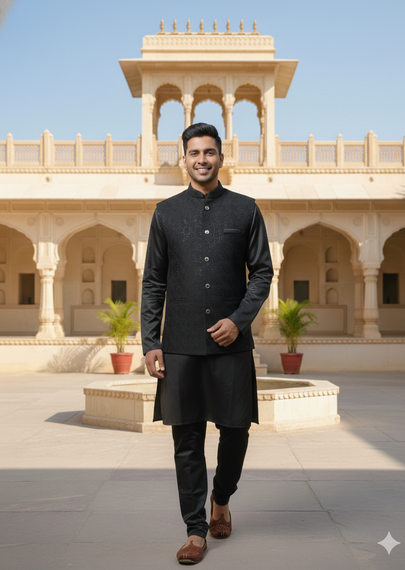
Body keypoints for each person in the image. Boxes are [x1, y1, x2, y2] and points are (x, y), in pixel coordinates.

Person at [141, 123, 273, 564]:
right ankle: (196, 531)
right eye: (194, 152)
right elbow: (154, 281)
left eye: (209, 152)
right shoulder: (164, 213)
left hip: (230, 346)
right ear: (184, 158)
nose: (202, 159)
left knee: (236, 430)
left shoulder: (246, 210)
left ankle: (222, 498)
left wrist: (238, 321)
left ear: (221, 156)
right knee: (187, 440)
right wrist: (150, 341)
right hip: (179, 345)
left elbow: (263, 273)